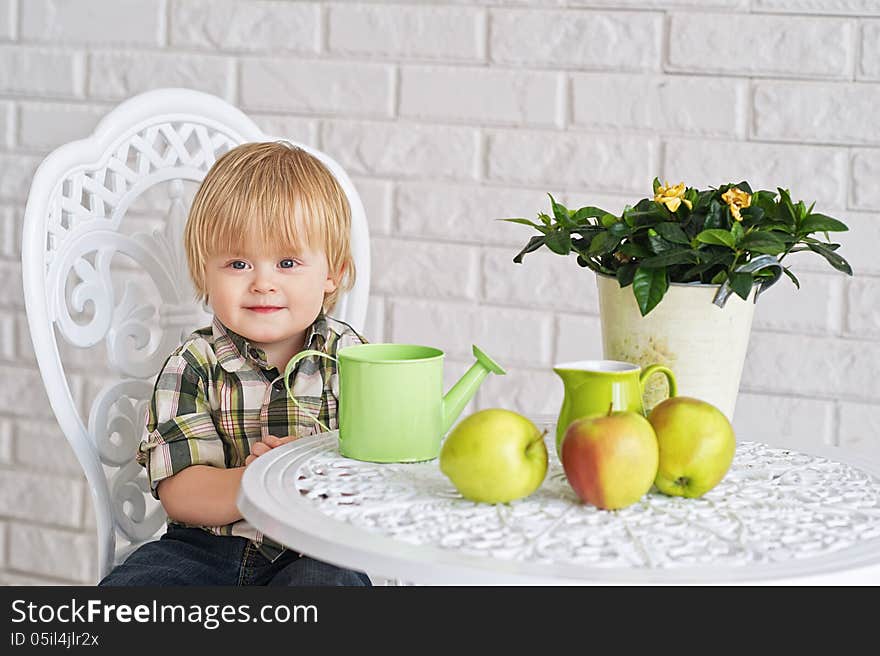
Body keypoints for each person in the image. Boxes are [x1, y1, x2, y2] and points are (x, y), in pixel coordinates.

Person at [100, 141, 371, 586]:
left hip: (316, 550)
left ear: (332, 274)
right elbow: (181, 493)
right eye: (238, 262)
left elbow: (379, 475)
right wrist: (259, 481)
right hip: (203, 550)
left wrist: (322, 478)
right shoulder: (194, 364)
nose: (263, 283)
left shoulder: (351, 360)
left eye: (287, 262)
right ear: (205, 272)